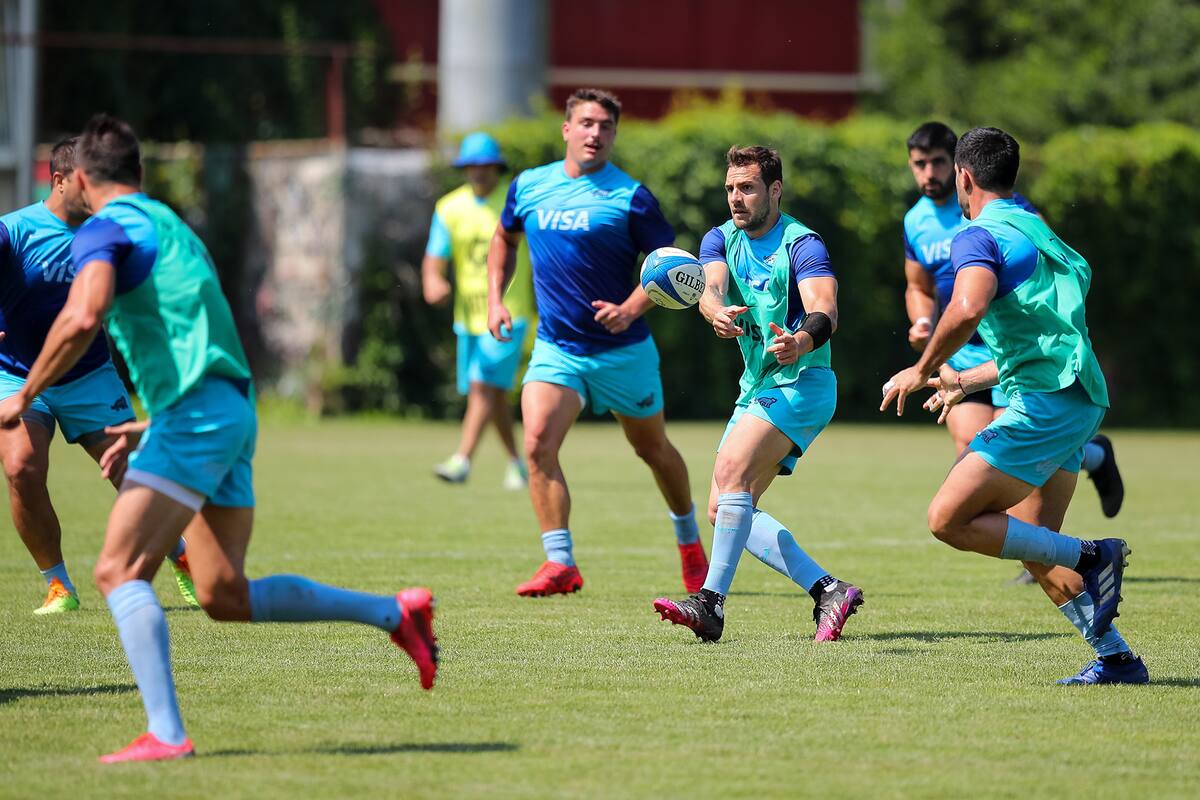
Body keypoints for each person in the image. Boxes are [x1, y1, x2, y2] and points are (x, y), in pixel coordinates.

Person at [0, 115, 439, 762]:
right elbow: (203, 325)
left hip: (196, 416)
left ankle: (166, 735)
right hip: (228, 405)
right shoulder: (173, 226)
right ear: (141, 174)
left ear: (83, 179)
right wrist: (158, 420)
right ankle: (395, 614)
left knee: (118, 570)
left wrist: (26, 394)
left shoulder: (101, 228)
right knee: (223, 594)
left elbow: (84, 313)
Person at [881, 126, 1147, 685]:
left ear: (964, 177)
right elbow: (1045, 337)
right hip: (1079, 397)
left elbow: (968, 307)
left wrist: (923, 368)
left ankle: (1094, 555)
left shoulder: (975, 234)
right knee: (1032, 544)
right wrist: (967, 382)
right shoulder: (1036, 229)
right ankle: (1117, 659)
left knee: (948, 518)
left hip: (1045, 405)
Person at [486, 88, 707, 597]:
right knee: (538, 442)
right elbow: (504, 238)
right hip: (557, 348)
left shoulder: (631, 197)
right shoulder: (528, 187)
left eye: (606, 126)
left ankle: (689, 543)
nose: (596, 133)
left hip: (623, 351)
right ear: (566, 129)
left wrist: (631, 307)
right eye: (586, 123)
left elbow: (678, 269)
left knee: (651, 449)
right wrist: (496, 300)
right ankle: (560, 563)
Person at [652, 146, 863, 643]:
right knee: (722, 506)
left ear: (774, 190)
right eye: (730, 188)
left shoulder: (802, 243)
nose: (735, 198)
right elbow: (710, 287)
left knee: (730, 478)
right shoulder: (719, 238)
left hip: (805, 382)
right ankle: (828, 589)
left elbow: (825, 308)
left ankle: (709, 604)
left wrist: (801, 339)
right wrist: (715, 312)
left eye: (746, 188)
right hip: (759, 388)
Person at [0, 136, 197, 614]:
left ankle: (184, 557)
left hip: (89, 374)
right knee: (22, 467)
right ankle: (58, 586)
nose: (96, 192)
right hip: (18, 375)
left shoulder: (109, 234)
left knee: (132, 474)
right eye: (87, 181)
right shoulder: (14, 231)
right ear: (60, 179)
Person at [901, 122, 1123, 516]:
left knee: (967, 504)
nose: (929, 174)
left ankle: (1057, 540)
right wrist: (923, 325)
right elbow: (917, 286)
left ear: (961, 172)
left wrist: (921, 368)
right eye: (920, 164)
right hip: (970, 353)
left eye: (938, 163)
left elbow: (979, 304)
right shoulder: (915, 222)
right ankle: (1054, 543)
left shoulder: (1005, 217)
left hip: (1020, 354)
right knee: (974, 448)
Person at [423, 132, 533, 489]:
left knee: (482, 385)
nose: (479, 173)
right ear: (464, 169)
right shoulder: (449, 207)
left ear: (496, 168)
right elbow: (434, 258)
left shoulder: (514, 204)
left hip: (508, 312)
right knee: (492, 394)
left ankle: (462, 460)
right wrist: (433, 280)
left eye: (486, 166)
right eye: (473, 166)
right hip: (467, 317)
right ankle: (518, 464)